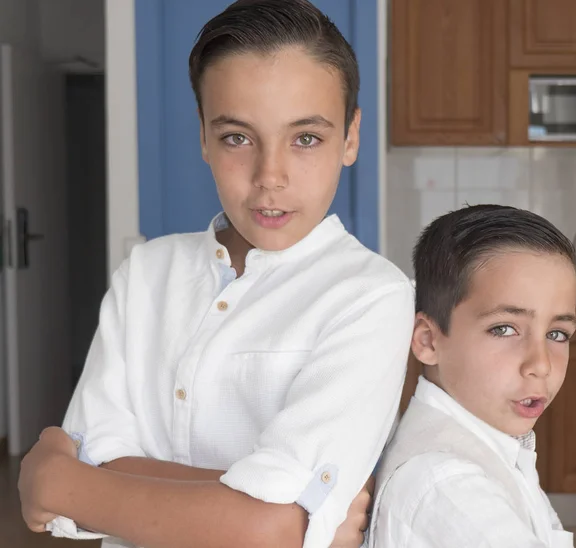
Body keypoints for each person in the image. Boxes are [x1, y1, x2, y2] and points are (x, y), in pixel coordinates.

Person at [18, 1, 415, 547]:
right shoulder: (147, 273)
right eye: (237, 137)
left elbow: (273, 533)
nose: (269, 176)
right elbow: (279, 523)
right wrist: (266, 514)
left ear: (350, 137)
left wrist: (67, 484)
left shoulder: (372, 297)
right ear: (204, 136)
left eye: (305, 138)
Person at [368, 204, 576, 548]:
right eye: (505, 329)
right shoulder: (449, 487)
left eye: (557, 334)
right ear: (427, 340)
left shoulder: (493, 443)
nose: (541, 364)